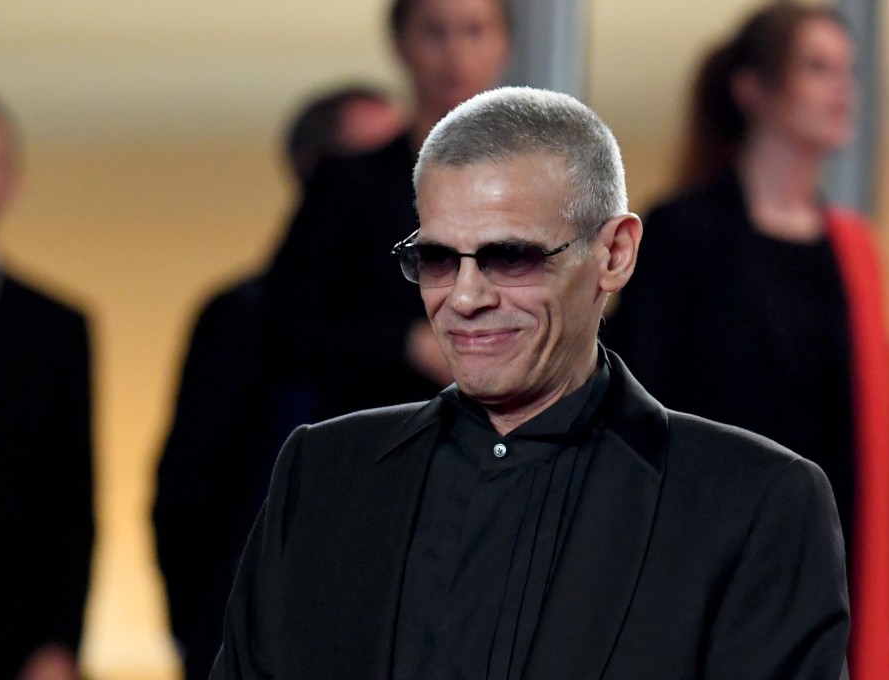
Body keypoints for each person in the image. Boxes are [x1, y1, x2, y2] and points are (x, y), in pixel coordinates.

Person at [210, 86, 849, 680]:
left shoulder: (752, 502)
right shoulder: (324, 475)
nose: (464, 298)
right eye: (437, 259)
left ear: (615, 254)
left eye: (510, 256)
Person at [605, 4, 889, 679]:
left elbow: (877, 440)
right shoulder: (682, 233)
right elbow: (638, 412)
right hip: (706, 560)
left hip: (827, 568)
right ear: (753, 89)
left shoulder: (854, 252)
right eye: (818, 68)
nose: (844, 90)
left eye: (849, 71)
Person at [152, 85, 406, 680]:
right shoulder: (241, 320)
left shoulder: (441, 325)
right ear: (316, 173)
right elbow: (189, 489)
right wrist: (203, 633)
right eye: (377, 161)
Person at [261, 0, 511, 418]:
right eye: (435, 33)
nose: (456, 54)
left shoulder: (548, 185)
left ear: (504, 43)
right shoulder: (348, 186)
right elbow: (285, 325)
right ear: (400, 43)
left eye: (475, 31)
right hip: (386, 425)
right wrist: (405, 343)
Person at [0, 90, 94, 680]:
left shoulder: (53, 328)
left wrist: (59, 642)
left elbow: (70, 498)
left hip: (2, 636)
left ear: (10, 182)